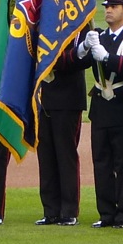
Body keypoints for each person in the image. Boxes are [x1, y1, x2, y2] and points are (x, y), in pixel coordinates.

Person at [81, 0, 123, 228]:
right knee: (101, 162)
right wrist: (83, 47)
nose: (108, 10)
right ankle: (106, 213)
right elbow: (79, 62)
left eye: (114, 7)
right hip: (101, 108)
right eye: (107, 6)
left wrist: (107, 57)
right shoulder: (98, 36)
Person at [34, 20, 90, 228]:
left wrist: (52, 60)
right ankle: (50, 210)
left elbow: (84, 60)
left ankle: (68, 211)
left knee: (65, 156)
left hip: (68, 98)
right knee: (45, 155)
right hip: (43, 97)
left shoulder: (79, 21)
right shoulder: (42, 21)